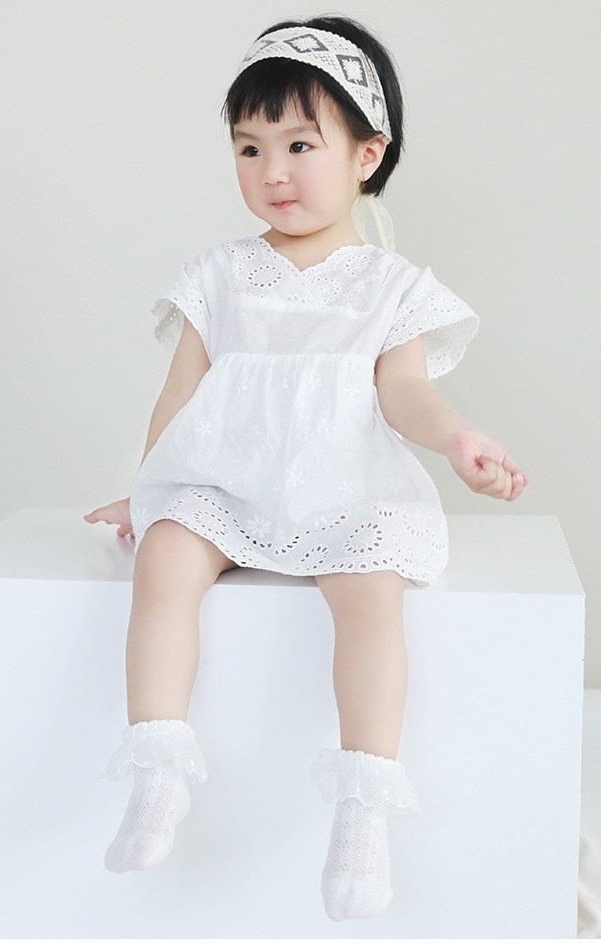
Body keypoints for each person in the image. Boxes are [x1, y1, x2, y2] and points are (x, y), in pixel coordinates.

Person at [85, 14, 528, 921]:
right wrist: (149, 489)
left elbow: (404, 392)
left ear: (367, 154)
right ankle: (159, 765)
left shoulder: (391, 287)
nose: (271, 171)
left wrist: (455, 438)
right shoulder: (220, 274)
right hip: (228, 483)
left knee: (370, 592)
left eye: (298, 144)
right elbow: (179, 394)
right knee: (165, 557)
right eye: (248, 148)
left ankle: (363, 807)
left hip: (341, 488)